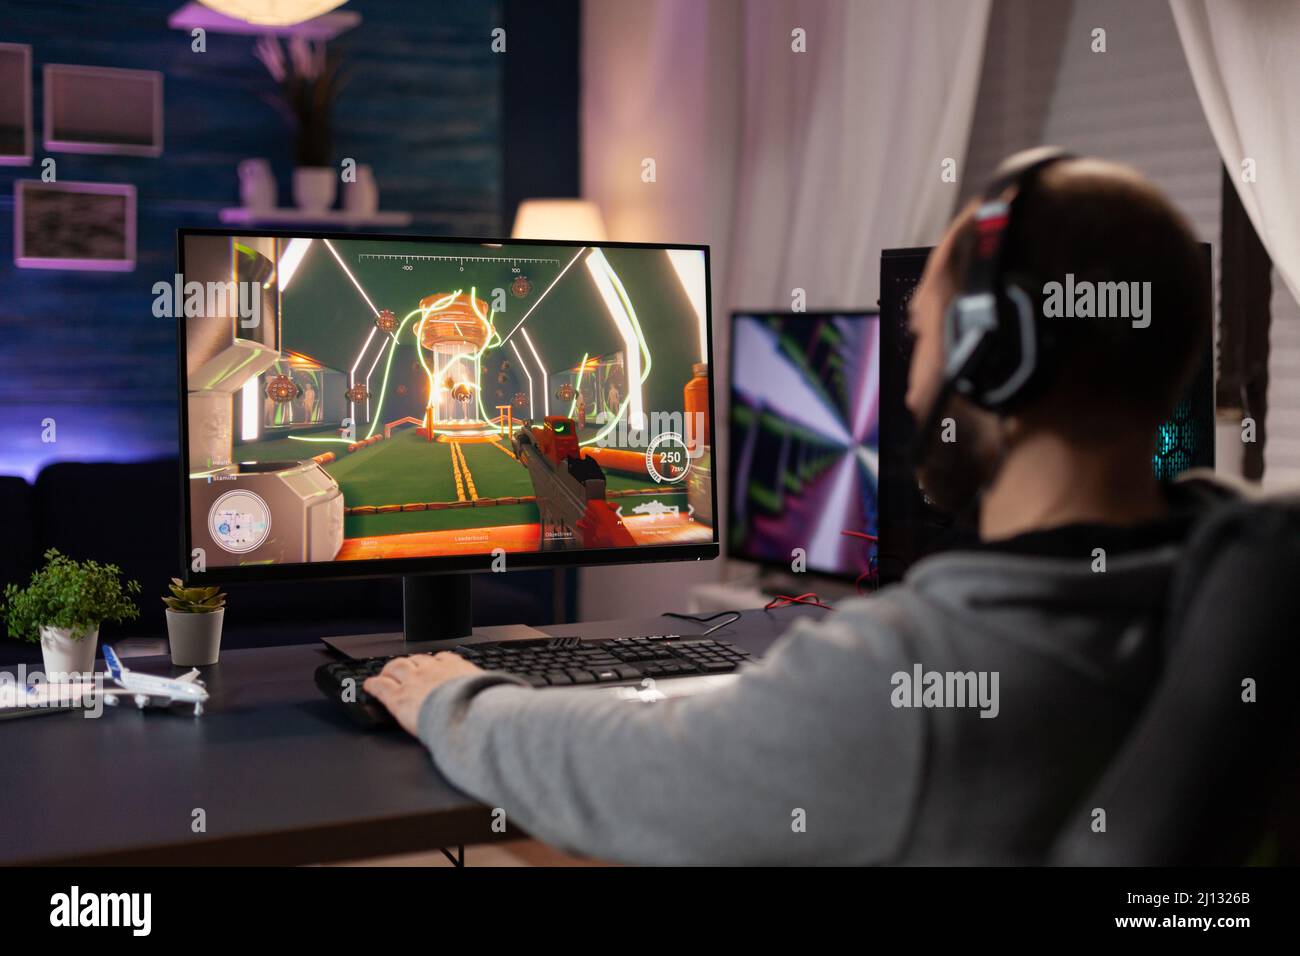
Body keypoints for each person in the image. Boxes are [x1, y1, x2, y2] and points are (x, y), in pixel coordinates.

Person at [364, 153, 1225, 864]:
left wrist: (455, 699)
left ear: (988, 362)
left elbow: (642, 777)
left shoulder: (913, 670)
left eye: (919, 341)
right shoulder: (1242, 587)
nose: (909, 383)